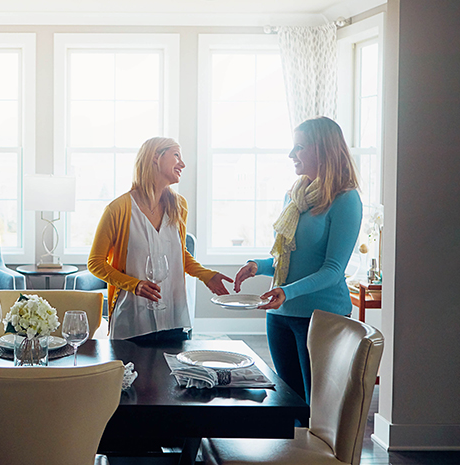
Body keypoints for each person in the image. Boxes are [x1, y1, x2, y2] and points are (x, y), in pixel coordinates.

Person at [234, 116, 362, 405]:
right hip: (279, 316)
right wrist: (257, 266)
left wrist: (286, 291)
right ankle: (293, 451)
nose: (291, 155)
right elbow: (284, 259)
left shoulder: (346, 200)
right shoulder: (293, 197)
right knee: (288, 404)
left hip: (321, 318)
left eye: (299, 147)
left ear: (323, 150)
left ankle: (318, 452)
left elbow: (333, 270)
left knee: (317, 406)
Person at [88, 137, 232, 342]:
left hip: (172, 316)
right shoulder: (118, 209)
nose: (182, 164)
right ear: (156, 157)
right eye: (176, 156)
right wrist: (133, 284)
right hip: (132, 320)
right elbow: (95, 263)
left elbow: (177, 253)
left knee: (170, 374)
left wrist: (206, 275)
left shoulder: (179, 205)